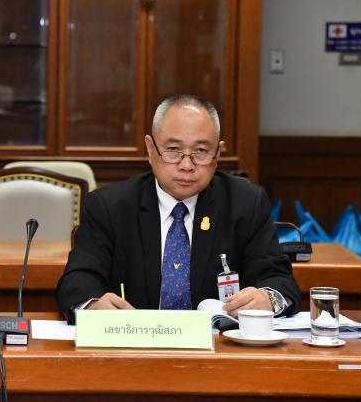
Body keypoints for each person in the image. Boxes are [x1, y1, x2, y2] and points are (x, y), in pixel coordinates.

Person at [57, 95, 299, 321]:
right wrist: (93, 305)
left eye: (201, 151)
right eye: (173, 150)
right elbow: (78, 281)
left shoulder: (245, 204)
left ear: (217, 153)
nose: (186, 165)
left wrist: (267, 298)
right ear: (150, 149)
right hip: (135, 344)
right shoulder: (109, 206)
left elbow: (280, 280)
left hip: (220, 346)